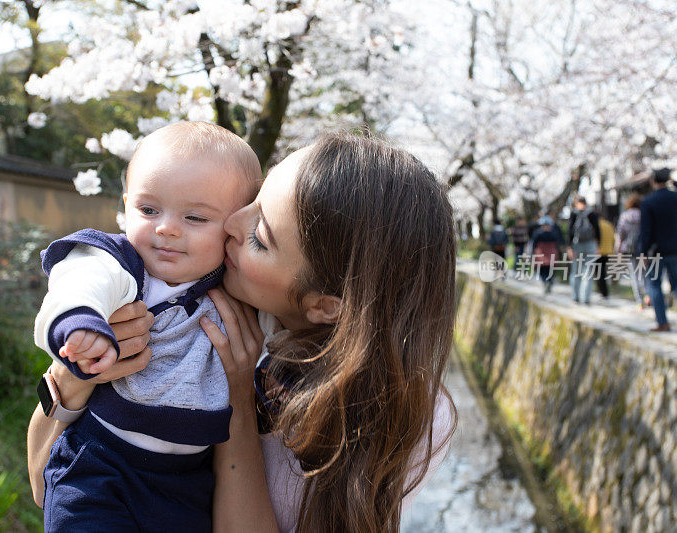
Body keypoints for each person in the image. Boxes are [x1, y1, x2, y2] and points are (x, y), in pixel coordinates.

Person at [27, 132, 457, 533]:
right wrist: (75, 374)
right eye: (254, 200)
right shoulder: (186, 284)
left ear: (325, 304)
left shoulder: (403, 409)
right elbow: (43, 483)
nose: (231, 223)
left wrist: (239, 402)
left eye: (261, 237)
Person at [33, 121, 262, 531]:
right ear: (126, 205)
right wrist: (80, 322)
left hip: (189, 479)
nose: (166, 228)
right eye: (148, 210)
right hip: (101, 461)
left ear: (234, 229)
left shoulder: (235, 290)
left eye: (194, 217)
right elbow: (81, 282)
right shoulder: (123, 265)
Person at [638, 168, 677, 332]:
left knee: (655, 285)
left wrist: (642, 252)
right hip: (676, 248)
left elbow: (645, 231)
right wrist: (673, 181)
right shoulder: (676, 197)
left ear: (653, 181)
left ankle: (663, 322)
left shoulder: (648, 202)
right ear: (667, 179)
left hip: (657, 250)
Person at [615, 193, 646, 308]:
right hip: (643, 248)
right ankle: (648, 295)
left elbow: (620, 234)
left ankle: (639, 302)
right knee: (645, 273)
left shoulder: (625, 216)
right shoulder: (644, 215)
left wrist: (617, 251)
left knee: (634, 275)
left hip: (629, 249)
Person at [567, 195, 600, 304]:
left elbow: (570, 231)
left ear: (576, 203)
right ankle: (586, 298)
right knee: (588, 272)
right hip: (590, 244)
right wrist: (598, 245)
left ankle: (575, 296)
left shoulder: (574, 214)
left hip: (577, 245)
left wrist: (569, 247)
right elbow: (597, 230)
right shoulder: (592, 213)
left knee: (575, 271)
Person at [530, 216, 562, 294]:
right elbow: (559, 243)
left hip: (541, 255)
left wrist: (532, 255)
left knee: (542, 270)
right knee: (550, 270)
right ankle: (549, 282)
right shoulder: (554, 232)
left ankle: (546, 282)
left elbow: (534, 244)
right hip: (551, 254)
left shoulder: (538, 233)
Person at [595, 216, 616, 299]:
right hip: (608, 251)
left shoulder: (596, 225)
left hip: (598, 252)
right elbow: (613, 239)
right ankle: (604, 292)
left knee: (599, 273)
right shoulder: (608, 225)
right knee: (602, 272)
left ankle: (603, 292)